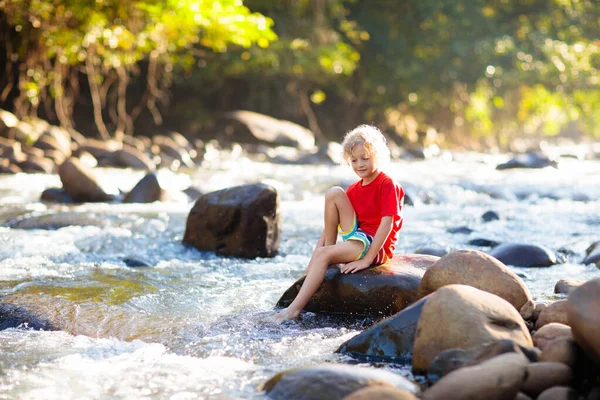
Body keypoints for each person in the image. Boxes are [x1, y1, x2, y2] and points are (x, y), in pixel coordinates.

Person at [267, 124, 405, 323]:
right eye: (354, 160)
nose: (359, 164)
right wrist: (314, 261)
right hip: (358, 235)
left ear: (378, 155)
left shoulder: (387, 183)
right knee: (334, 193)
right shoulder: (354, 189)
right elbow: (330, 226)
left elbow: (387, 223)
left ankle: (292, 311)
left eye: (365, 158)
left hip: (374, 243)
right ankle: (327, 257)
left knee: (325, 254)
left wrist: (366, 261)